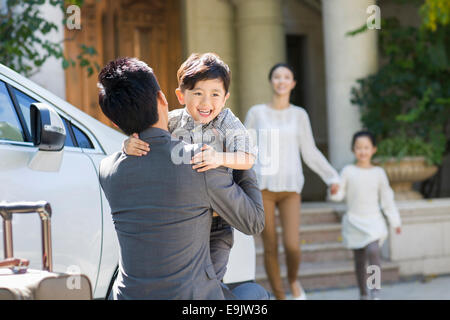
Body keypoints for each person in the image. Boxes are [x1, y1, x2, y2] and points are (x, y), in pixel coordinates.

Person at [97, 57, 268, 300]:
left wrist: (228, 156)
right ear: (167, 98)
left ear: (115, 122)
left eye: (215, 95)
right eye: (197, 93)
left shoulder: (107, 169)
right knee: (255, 294)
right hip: (191, 296)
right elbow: (254, 223)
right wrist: (231, 164)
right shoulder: (200, 163)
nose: (206, 102)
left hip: (130, 295)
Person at [244, 63, 340, 300]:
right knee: (270, 246)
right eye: (277, 77)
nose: (281, 81)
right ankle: (280, 296)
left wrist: (332, 177)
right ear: (271, 81)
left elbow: (310, 151)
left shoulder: (299, 115)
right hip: (262, 187)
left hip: (290, 189)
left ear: (293, 83)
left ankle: (294, 280)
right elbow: (244, 148)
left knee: (292, 245)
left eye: (287, 77)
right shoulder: (257, 113)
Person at [328, 130, 402, 300]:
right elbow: (339, 196)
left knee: (373, 250)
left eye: (366, 147)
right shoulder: (347, 171)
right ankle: (363, 293)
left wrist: (395, 222)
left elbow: (387, 199)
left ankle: (375, 291)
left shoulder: (379, 173)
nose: (362, 151)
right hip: (354, 222)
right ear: (353, 150)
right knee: (359, 260)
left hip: (373, 221)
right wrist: (334, 190)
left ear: (373, 149)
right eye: (359, 147)